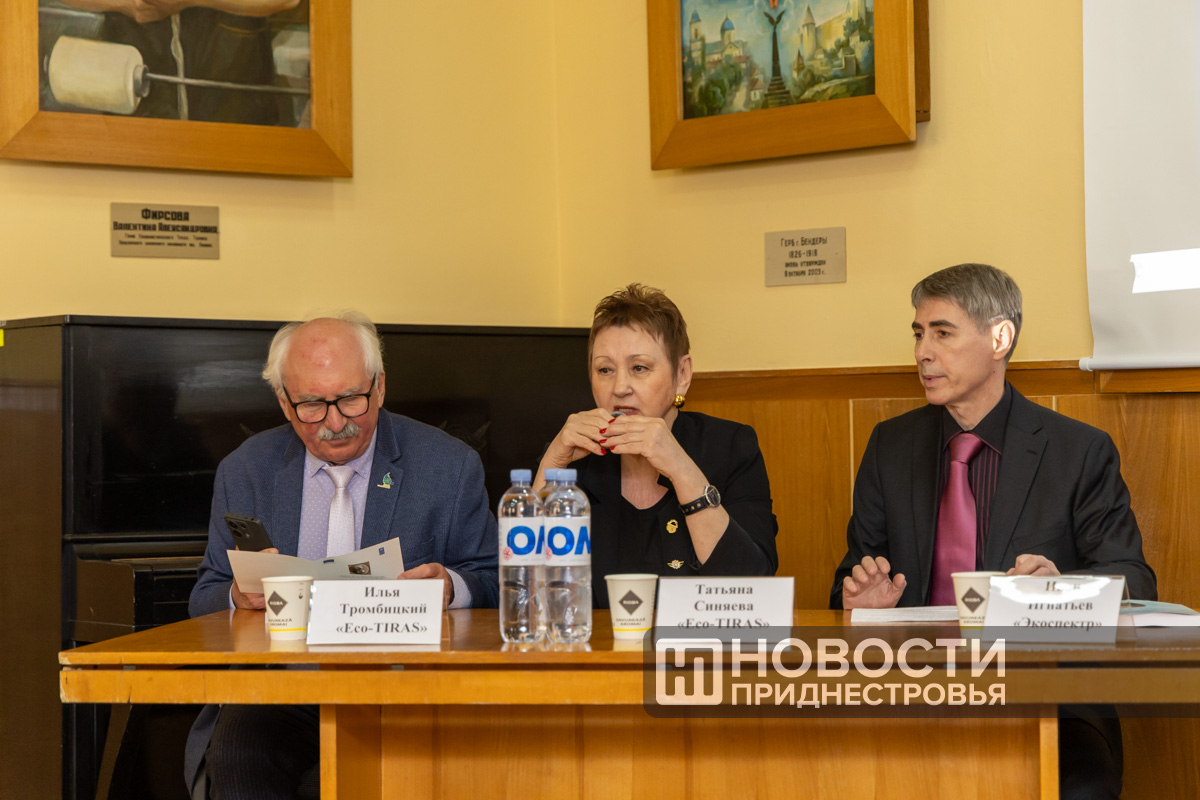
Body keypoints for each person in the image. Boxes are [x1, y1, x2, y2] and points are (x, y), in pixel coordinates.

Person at [830, 263, 1156, 799]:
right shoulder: (890, 447)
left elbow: (1136, 581)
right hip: (914, 689)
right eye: (918, 333)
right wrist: (862, 600)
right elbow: (849, 579)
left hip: (1047, 695)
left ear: (1000, 338)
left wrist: (1062, 590)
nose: (922, 352)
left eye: (942, 333)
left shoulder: (1078, 450)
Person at [185, 311, 498, 799]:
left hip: (401, 690)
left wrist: (451, 587)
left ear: (380, 386)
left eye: (352, 399)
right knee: (237, 753)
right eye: (312, 404)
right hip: (282, 689)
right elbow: (204, 595)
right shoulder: (246, 470)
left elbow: (496, 582)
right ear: (284, 402)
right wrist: (236, 597)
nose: (335, 423)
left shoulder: (448, 466)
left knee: (340, 781)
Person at [536, 283, 778, 608]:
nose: (620, 387)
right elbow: (526, 591)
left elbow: (753, 589)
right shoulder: (574, 460)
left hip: (700, 642)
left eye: (639, 368)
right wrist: (551, 463)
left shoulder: (731, 447)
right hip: (597, 641)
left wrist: (681, 468)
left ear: (682, 374)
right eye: (605, 370)